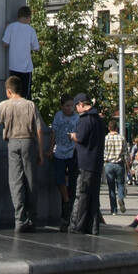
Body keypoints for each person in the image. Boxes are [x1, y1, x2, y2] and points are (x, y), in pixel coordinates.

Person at [0, 76, 45, 231]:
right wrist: (40, 152)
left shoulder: (5, 105)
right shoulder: (30, 105)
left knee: (16, 182)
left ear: (8, 91)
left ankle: (20, 219)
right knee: (31, 181)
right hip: (28, 143)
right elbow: (39, 130)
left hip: (13, 143)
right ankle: (32, 218)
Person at [68, 94, 106, 235]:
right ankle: (93, 226)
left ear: (80, 105)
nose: (76, 109)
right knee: (93, 197)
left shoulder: (85, 119)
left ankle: (76, 226)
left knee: (81, 195)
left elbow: (81, 137)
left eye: (76, 106)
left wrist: (72, 136)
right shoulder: (99, 120)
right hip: (97, 163)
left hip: (84, 162)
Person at [50, 95, 79, 230]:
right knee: (59, 179)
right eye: (67, 105)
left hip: (72, 151)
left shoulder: (76, 118)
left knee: (73, 182)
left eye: (71, 105)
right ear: (62, 106)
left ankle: (69, 211)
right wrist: (50, 148)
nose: (70, 108)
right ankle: (66, 199)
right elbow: (54, 132)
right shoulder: (58, 116)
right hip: (59, 151)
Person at [1, 6, 40, 100]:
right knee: (25, 95)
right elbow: (36, 48)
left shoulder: (11, 27)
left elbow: (4, 43)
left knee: (13, 93)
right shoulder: (31, 30)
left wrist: (6, 30)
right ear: (28, 17)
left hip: (13, 66)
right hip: (26, 68)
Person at [103, 119, 128, 215]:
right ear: (116, 127)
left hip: (109, 164)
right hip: (119, 164)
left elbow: (103, 152)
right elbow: (126, 153)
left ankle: (113, 209)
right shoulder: (121, 138)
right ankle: (121, 198)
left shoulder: (105, 138)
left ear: (109, 128)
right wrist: (127, 164)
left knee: (111, 187)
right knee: (120, 184)